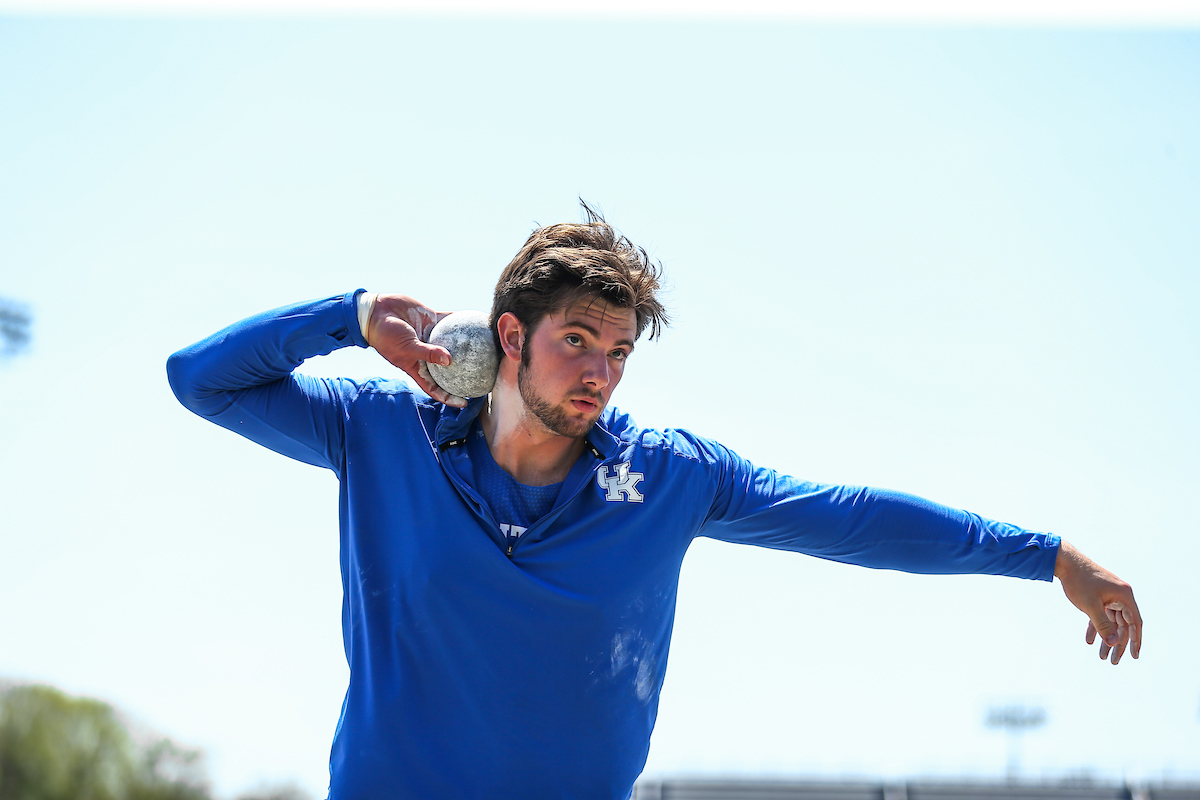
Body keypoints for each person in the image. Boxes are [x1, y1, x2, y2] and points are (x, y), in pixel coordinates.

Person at [167, 204, 1141, 800]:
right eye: (579, 339)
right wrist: (350, 313)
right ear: (508, 334)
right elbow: (199, 379)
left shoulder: (671, 477)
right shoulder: (383, 433)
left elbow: (847, 514)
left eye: (621, 349)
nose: (603, 370)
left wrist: (1049, 553)